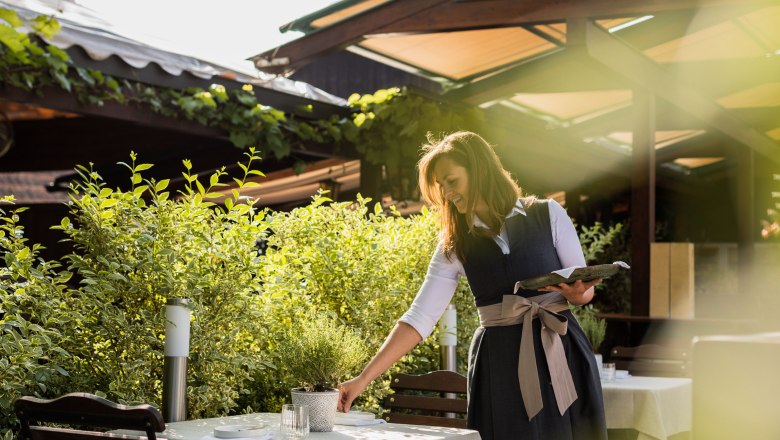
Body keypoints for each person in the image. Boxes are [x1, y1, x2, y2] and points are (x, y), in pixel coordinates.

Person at [337, 131, 607, 440]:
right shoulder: (453, 245)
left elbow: (584, 290)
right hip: (500, 366)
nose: (447, 193)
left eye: (451, 181)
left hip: (561, 350)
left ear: (479, 170)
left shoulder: (549, 215)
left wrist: (578, 293)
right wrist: (362, 379)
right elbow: (419, 318)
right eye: (441, 186)